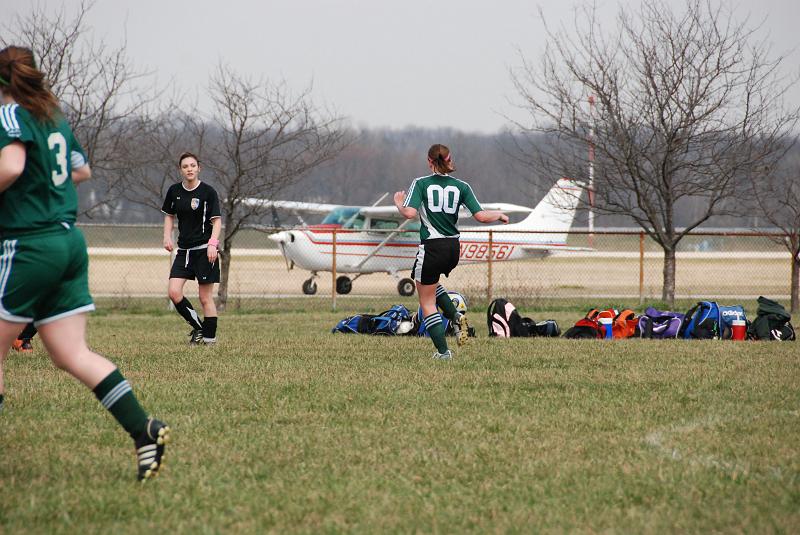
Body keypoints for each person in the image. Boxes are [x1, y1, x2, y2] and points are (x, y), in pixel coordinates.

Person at [0, 46, 169, 481]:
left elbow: (12, 166)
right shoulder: (53, 116)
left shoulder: (11, 116)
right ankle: (143, 429)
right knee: (71, 353)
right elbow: (80, 171)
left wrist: (25, 189)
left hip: (30, 244)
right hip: (69, 241)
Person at [394, 144, 509, 359]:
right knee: (431, 284)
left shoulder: (420, 183)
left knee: (426, 302)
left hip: (432, 247)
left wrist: (399, 204)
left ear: (429, 161)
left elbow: (409, 213)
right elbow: (482, 216)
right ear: (449, 159)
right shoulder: (462, 186)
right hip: (453, 249)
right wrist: (499, 215)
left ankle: (443, 352)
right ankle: (456, 316)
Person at [162, 152, 222, 345]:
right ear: (181, 170)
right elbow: (169, 215)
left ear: (199, 168)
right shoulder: (174, 191)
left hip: (205, 250)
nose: (189, 169)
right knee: (174, 292)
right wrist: (166, 236)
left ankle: (209, 340)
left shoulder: (208, 192)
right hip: (184, 251)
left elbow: (217, 221)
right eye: (185, 166)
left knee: (205, 298)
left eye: (193, 166)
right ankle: (198, 328)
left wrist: (213, 244)